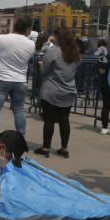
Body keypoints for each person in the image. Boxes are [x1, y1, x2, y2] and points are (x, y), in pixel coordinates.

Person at [33, 26, 80, 159]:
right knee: (65, 120)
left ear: (58, 37)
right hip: (69, 90)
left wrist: (41, 65)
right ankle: (64, 149)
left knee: (49, 120)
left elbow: (43, 72)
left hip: (52, 90)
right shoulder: (75, 52)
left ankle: (45, 148)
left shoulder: (53, 51)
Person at [0, 16, 35, 137]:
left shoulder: (1, 38)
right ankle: (21, 138)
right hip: (20, 80)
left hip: (2, 78)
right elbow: (27, 59)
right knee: (19, 110)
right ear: (27, 29)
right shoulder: (31, 44)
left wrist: (2, 54)